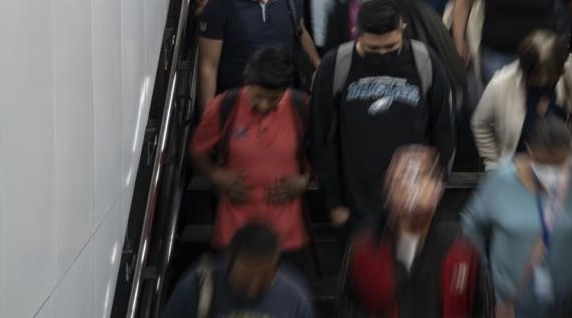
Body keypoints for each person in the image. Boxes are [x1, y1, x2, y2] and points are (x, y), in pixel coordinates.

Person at [310, 0, 456, 231]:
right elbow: (321, 136)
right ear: (356, 32)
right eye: (373, 49)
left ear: (402, 29)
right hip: (354, 205)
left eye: (390, 47)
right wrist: (333, 203)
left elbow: (444, 131)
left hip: (413, 204)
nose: (382, 55)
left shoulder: (425, 61)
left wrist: (434, 189)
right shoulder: (335, 65)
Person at [462, 117, 572, 317]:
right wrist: (486, 267)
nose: (551, 171)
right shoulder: (500, 182)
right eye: (543, 163)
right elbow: (471, 224)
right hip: (515, 305)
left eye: (559, 163)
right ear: (529, 152)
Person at [339, 146, 493, 318]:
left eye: (420, 176)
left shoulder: (462, 248)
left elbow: (481, 310)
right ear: (388, 188)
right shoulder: (365, 247)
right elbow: (350, 309)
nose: (410, 186)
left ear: (438, 187)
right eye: (402, 176)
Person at [190, 49, 310, 260]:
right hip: (234, 231)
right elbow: (197, 150)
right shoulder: (224, 106)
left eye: (273, 99)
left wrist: (305, 180)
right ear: (247, 81)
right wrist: (215, 175)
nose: (264, 104)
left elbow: (323, 153)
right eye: (258, 96)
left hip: (286, 234)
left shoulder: (302, 108)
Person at [471, 29, 572, 172]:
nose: (549, 79)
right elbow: (480, 123)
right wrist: (493, 163)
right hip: (520, 171)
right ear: (529, 70)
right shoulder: (501, 85)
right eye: (542, 75)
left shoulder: (567, 71)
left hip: (565, 168)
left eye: (553, 74)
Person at [197, 0, 320, 110]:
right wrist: (209, 116)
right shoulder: (218, 7)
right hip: (239, 108)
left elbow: (300, 30)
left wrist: (318, 65)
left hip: (283, 103)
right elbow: (208, 67)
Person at [162, 222, 314, 318]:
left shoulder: (295, 296)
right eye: (243, 282)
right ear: (227, 262)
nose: (251, 291)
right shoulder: (195, 287)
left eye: (263, 283)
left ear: (275, 269)